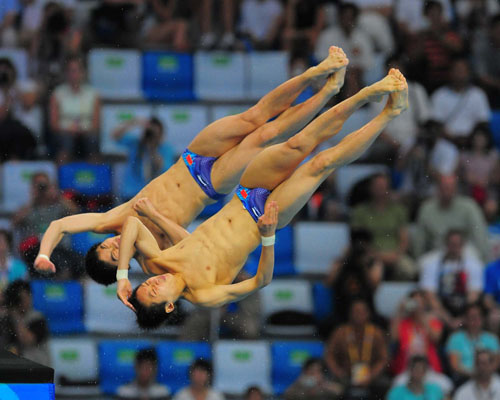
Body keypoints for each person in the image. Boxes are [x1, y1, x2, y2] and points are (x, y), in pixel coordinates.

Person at [34, 47, 349, 284]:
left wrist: (44, 254)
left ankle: (315, 73)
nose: (116, 244)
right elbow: (195, 246)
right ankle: (328, 92)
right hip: (210, 183)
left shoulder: (112, 220)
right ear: (123, 265)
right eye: (116, 254)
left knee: (253, 117)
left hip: (191, 158)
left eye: (106, 246)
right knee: (265, 135)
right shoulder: (151, 259)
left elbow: (58, 225)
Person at [116, 69, 408, 324]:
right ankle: (389, 113)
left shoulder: (161, 259)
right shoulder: (204, 294)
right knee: (321, 164)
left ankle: (362, 95)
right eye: (155, 290)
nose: (155, 282)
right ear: (169, 305)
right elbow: (261, 281)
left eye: (149, 283)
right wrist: (268, 237)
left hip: (243, 194)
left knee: (298, 143)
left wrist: (122, 276)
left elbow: (131, 226)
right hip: (264, 218)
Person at [351, 173, 415, 280]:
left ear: (388, 189)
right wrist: (375, 255)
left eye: (383, 187)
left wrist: (396, 255)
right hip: (370, 255)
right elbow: (358, 240)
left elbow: (404, 239)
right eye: (377, 186)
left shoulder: (399, 210)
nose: (380, 190)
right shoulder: (360, 211)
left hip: (395, 255)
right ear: (370, 188)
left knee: (411, 270)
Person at [413, 174, 489, 261]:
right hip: (437, 254)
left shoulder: (469, 207)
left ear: (456, 189)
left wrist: (485, 261)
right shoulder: (426, 209)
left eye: (450, 187)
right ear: (438, 189)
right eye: (444, 187)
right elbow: (419, 240)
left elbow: (480, 236)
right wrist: (418, 260)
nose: (447, 191)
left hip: (463, 254)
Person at [325, 299, 389, 399]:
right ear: (350, 314)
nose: (358, 315)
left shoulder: (376, 333)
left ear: (368, 314)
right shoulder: (340, 332)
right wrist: (338, 372)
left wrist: (371, 376)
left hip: (370, 375)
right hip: (346, 375)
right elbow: (330, 355)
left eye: (361, 312)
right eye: (355, 312)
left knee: (386, 385)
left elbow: (383, 359)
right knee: (331, 387)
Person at [419, 230, 484, 327]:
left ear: (463, 245)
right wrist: (448, 319)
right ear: (446, 244)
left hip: (464, 310)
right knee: (429, 317)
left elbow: (473, 296)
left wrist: (461, 319)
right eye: (452, 244)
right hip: (440, 309)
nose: (454, 248)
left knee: (475, 314)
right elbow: (430, 296)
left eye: (457, 244)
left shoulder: (474, 265)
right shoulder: (431, 265)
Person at [430, 58, 491, 150]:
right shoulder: (439, 95)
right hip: (446, 142)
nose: (460, 74)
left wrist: (469, 138)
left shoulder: (478, 94)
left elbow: (483, 122)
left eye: (462, 70)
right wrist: (453, 139)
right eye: (457, 70)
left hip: (472, 143)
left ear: (469, 73)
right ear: (450, 73)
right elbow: (436, 124)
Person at [49, 55, 101, 162]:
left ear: (83, 73)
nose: (74, 74)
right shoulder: (57, 93)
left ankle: (95, 176)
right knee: (66, 141)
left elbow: (96, 124)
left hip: (87, 131)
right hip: (64, 131)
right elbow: (53, 124)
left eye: (77, 70)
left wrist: (82, 129)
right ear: (66, 73)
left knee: (93, 140)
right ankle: (62, 176)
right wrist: (70, 129)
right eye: (71, 71)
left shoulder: (93, 94)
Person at [112, 117, 175, 200]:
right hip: (131, 193)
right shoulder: (136, 143)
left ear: (161, 134)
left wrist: (152, 149)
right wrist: (134, 122)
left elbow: (163, 168)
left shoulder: (166, 149)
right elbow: (115, 136)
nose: (150, 136)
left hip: (153, 195)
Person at [391, 291, 443, 375]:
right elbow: (393, 337)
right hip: (406, 368)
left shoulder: (432, 321)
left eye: (420, 302)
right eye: (414, 302)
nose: (417, 305)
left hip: (429, 368)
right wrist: (399, 311)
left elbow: (435, 339)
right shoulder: (403, 323)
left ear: (425, 304)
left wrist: (422, 316)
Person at [446, 303, 500, 384]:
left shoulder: (492, 338)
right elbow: (455, 365)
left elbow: (496, 362)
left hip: (488, 376)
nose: (475, 320)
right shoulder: (455, 338)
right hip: (464, 378)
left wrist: (484, 373)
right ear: (465, 319)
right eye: (471, 317)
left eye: (478, 316)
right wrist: (474, 374)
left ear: (483, 319)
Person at [1, 280, 51, 367]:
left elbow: (28, 341)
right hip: (13, 369)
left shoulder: (38, 318)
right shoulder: (6, 318)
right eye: (18, 298)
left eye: (24, 297)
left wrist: (15, 315)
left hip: (36, 368)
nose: (22, 302)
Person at [0, 230, 28, 294]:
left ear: (8, 244)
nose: (0, 246)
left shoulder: (20, 267)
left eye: (2, 242)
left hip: (14, 302)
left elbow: (24, 292)